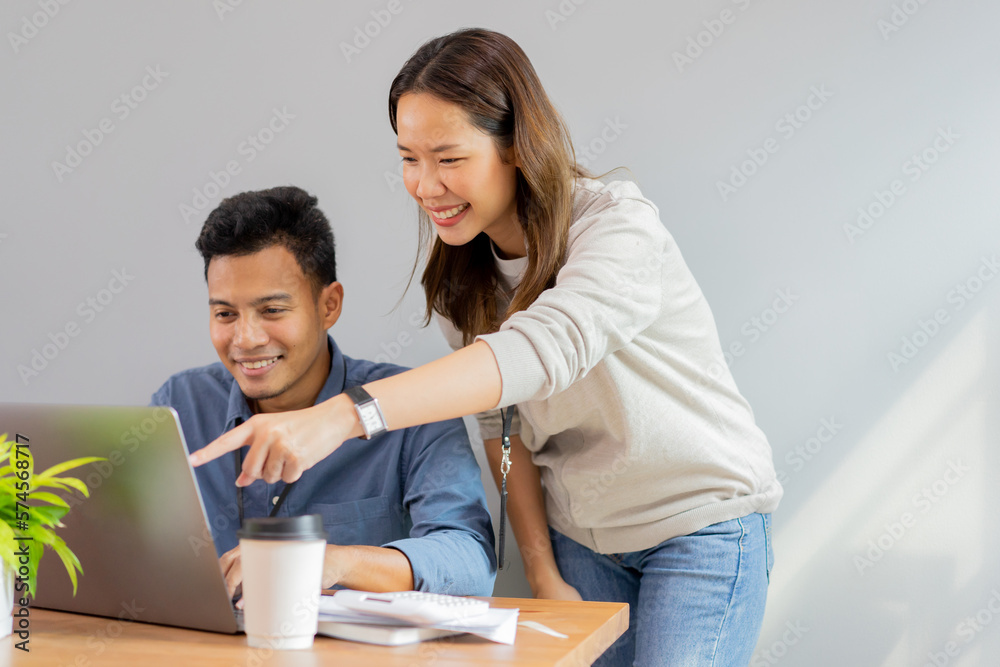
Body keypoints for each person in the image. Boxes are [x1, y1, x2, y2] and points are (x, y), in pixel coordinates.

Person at [192, 30, 782, 665]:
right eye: (409, 158)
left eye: (448, 158)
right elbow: (506, 427)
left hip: (697, 525)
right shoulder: (464, 275)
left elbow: (542, 350)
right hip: (584, 539)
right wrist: (543, 571)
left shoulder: (617, 227)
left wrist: (344, 415)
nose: (425, 185)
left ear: (517, 147)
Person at [155, 185, 496, 602]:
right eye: (225, 313)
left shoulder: (413, 411)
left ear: (329, 305)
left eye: (272, 310)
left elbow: (470, 564)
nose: (245, 339)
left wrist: (331, 561)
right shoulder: (180, 404)